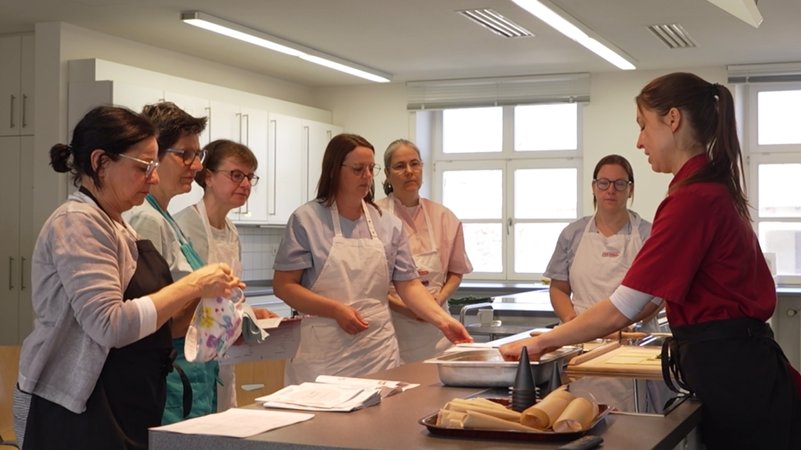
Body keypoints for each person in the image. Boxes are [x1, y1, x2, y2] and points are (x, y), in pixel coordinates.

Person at [500, 72, 801, 449]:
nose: (639, 141)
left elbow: (623, 307)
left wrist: (542, 343)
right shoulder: (708, 188)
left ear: (672, 119)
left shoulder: (692, 200)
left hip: (734, 373)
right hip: (735, 366)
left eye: (643, 126)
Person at [12, 106, 241, 449]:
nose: (152, 177)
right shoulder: (77, 222)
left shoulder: (120, 225)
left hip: (126, 401)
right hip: (78, 409)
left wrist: (211, 303)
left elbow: (156, 325)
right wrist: (194, 284)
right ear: (101, 161)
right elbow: (110, 325)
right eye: (143, 167)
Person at [273, 133, 472, 384]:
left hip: (377, 350)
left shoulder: (387, 224)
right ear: (334, 171)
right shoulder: (307, 220)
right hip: (325, 352)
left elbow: (408, 285)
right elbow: (284, 286)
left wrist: (443, 321)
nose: (367, 177)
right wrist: (335, 310)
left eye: (370, 168)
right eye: (358, 169)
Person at [544, 154, 663, 411]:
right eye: (604, 183)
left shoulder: (647, 234)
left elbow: (655, 296)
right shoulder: (572, 234)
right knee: (581, 415)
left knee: (632, 426)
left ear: (630, 189)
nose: (611, 190)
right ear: (593, 187)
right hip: (582, 345)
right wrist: (574, 323)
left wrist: (616, 325)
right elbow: (559, 288)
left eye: (620, 184)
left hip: (631, 342)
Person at [126, 101, 219, 423]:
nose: (196, 165)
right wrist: (206, 288)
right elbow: (151, 315)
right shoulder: (145, 219)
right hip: (168, 377)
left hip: (189, 372)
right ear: (153, 154)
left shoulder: (164, 217)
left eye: (199, 154)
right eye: (185, 154)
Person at [174, 139, 278, 409]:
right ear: (207, 176)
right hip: (190, 354)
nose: (245, 184)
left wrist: (252, 314)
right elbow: (183, 299)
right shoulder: (184, 226)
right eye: (236, 175)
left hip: (224, 354)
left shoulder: (231, 230)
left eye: (249, 176)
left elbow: (231, 295)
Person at [376, 139, 473, 363]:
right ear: (388, 175)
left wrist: (437, 301)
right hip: (393, 325)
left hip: (437, 330)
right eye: (400, 166)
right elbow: (371, 282)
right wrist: (408, 308)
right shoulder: (373, 216)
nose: (409, 172)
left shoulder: (444, 217)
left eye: (415, 164)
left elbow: (456, 272)